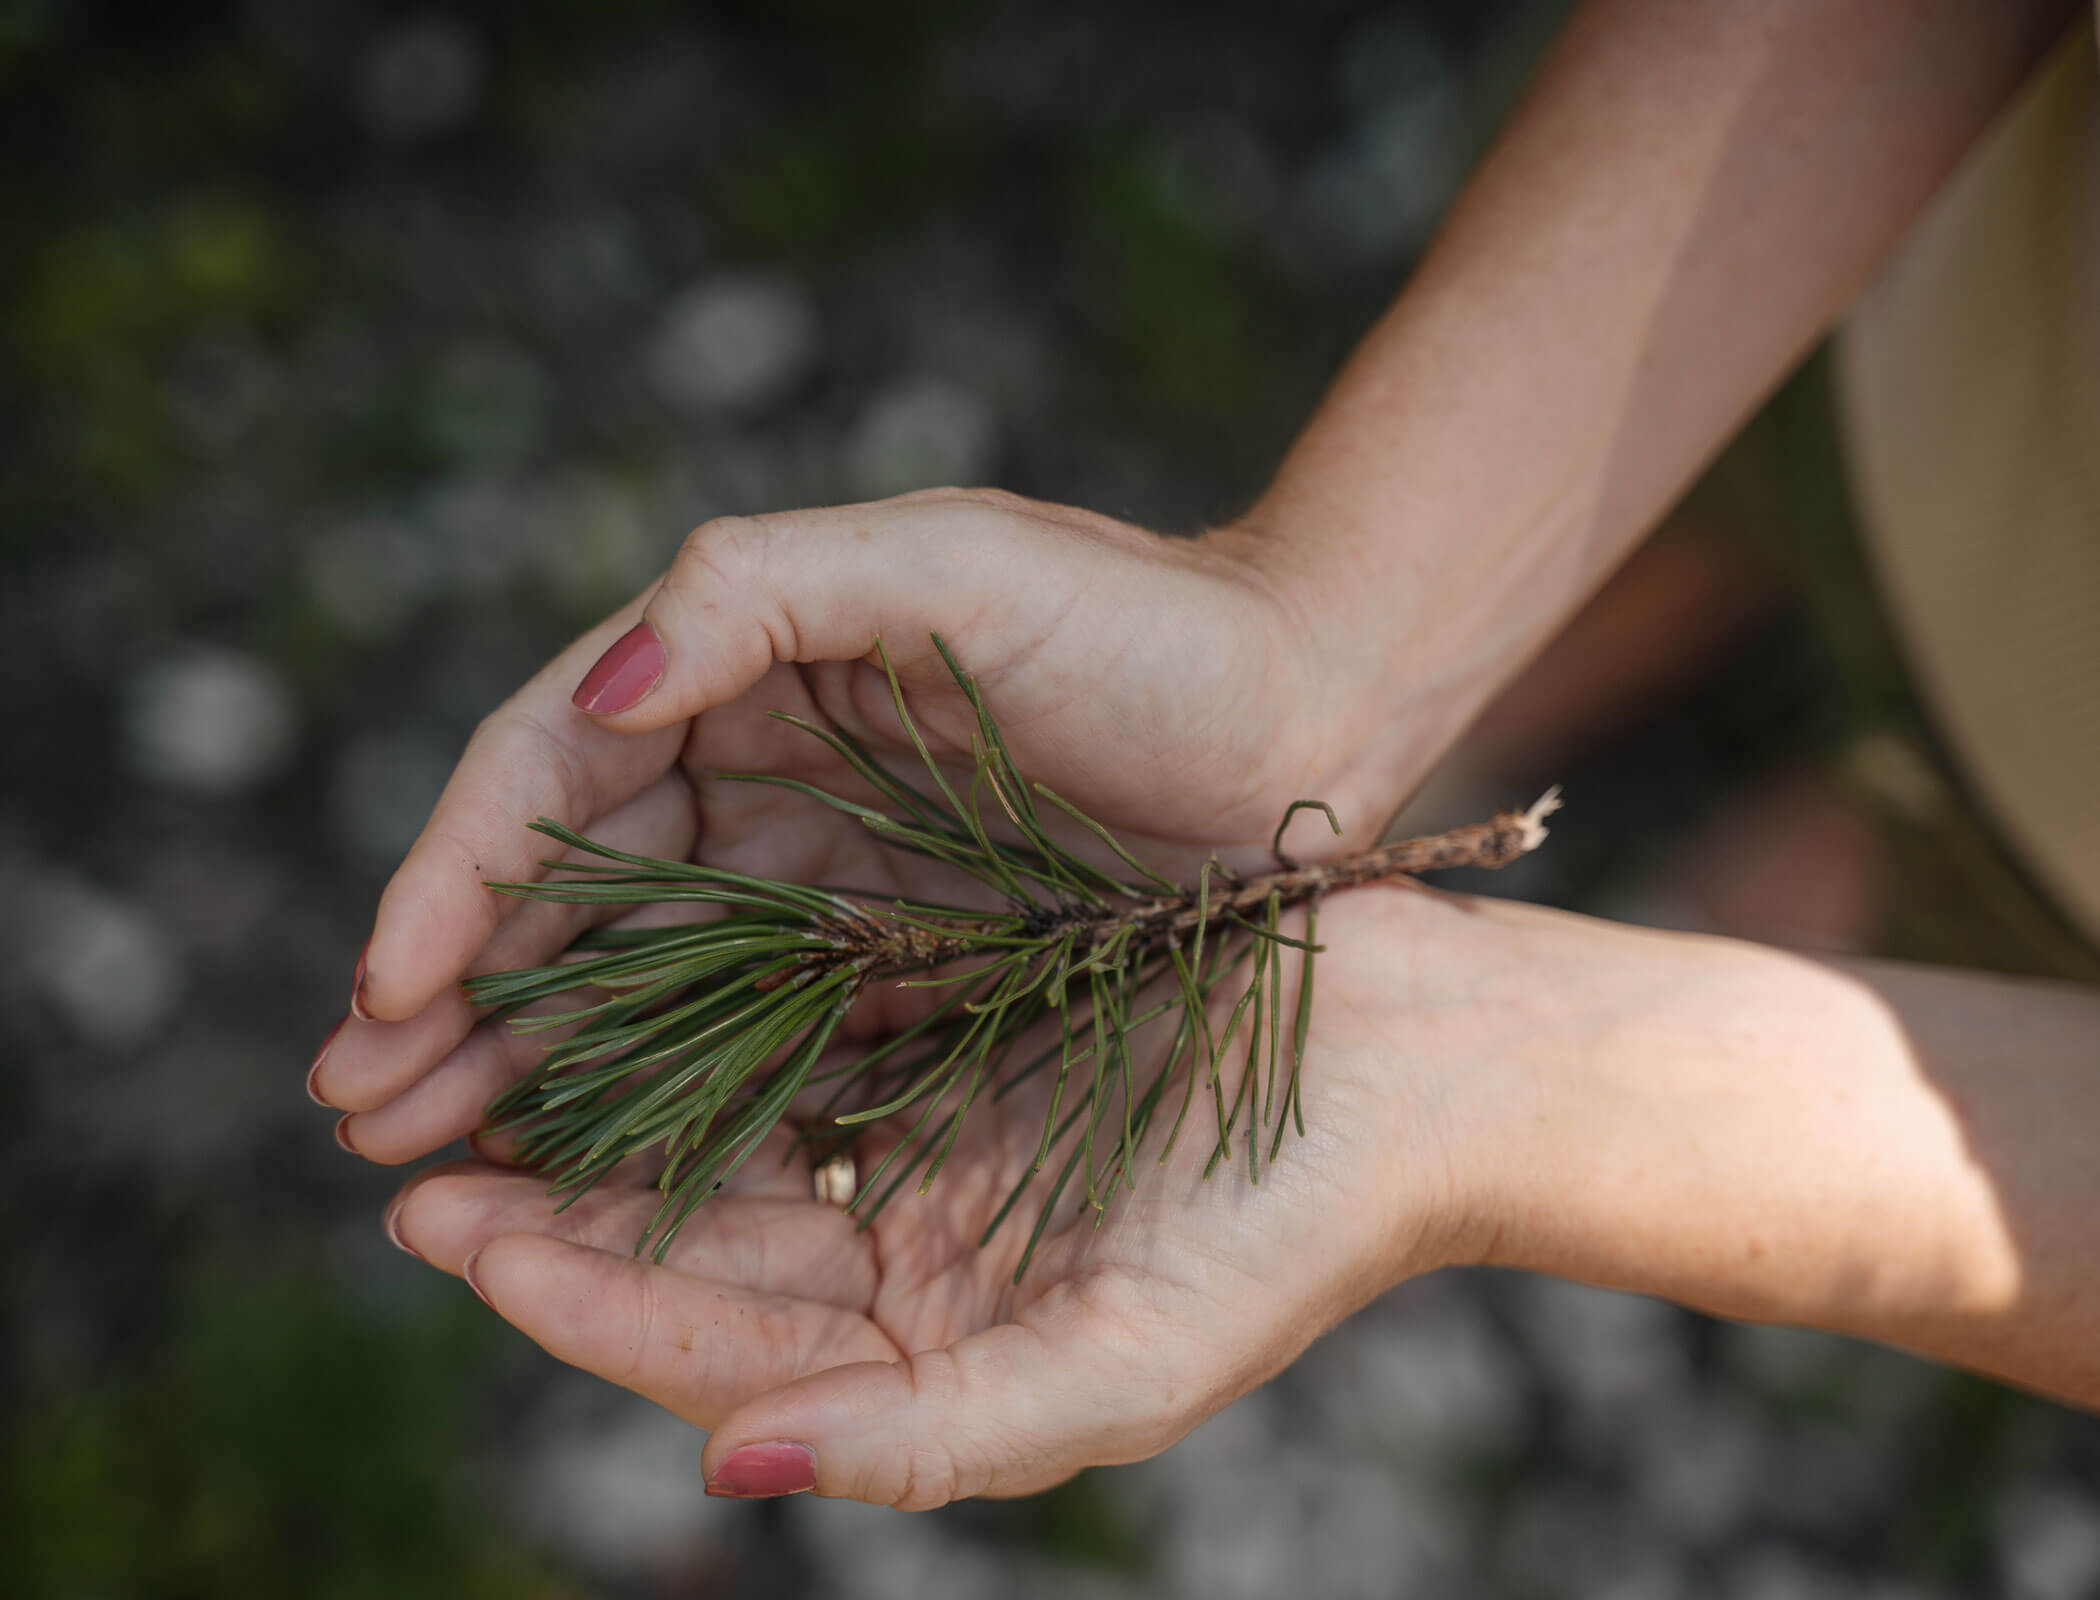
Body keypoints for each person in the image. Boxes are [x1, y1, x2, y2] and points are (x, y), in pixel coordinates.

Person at [307, 0, 2100, 1508]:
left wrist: (1509, 1067)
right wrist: (1335, 636)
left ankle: (1859, 861)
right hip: (1891, 257)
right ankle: (1522, 716)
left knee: (1925, 891)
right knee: (1704, 532)